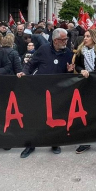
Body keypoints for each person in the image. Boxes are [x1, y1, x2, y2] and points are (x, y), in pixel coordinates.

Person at [17, 28, 74, 158]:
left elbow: (68, 72)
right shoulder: (43, 49)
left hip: (58, 91)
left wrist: (70, 71)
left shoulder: (67, 52)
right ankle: (31, 144)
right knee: (36, 116)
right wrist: (24, 73)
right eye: (63, 39)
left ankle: (54, 142)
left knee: (56, 116)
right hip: (41, 90)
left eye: (66, 39)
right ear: (55, 40)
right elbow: (31, 64)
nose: (66, 41)